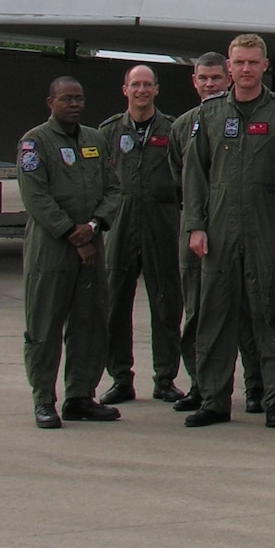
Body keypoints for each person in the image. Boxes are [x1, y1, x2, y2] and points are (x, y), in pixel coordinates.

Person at [181, 33, 275, 428]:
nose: (246, 69)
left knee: (272, 313)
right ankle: (214, 399)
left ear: (265, 66)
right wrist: (195, 227)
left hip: (267, 227)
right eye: (239, 62)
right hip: (218, 229)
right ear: (228, 67)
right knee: (214, 315)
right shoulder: (210, 113)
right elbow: (195, 175)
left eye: (253, 62)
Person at [17, 77, 121, 428]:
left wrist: (92, 227)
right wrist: (71, 234)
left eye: (79, 99)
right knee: (44, 324)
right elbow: (36, 197)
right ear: (51, 102)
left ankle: (81, 396)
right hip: (52, 249)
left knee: (89, 324)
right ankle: (44, 399)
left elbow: (113, 190)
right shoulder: (35, 142)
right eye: (66, 99)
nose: (74, 105)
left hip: (91, 243)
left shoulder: (95, 139)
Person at [172, 54, 263, 414]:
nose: (210, 84)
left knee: (247, 313)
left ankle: (255, 384)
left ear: (227, 79)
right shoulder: (183, 125)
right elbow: (182, 178)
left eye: (215, 78)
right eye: (203, 79)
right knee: (199, 312)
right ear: (194, 82)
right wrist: (195, 223)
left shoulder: (233, 117)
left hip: (239, 229)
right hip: (200, 232)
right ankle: (201, 384)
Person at [98, 64, 182, 407]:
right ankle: (120, 377)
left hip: (161, 223)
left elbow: (185, 174)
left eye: (147, 85)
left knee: (167, 303)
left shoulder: (172, 129)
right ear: (125, 90)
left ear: (156, 90)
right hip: (121, 224)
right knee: (115, 303)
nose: (142, 90)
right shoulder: (108, 131)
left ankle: (165, 378)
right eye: (136, 85)